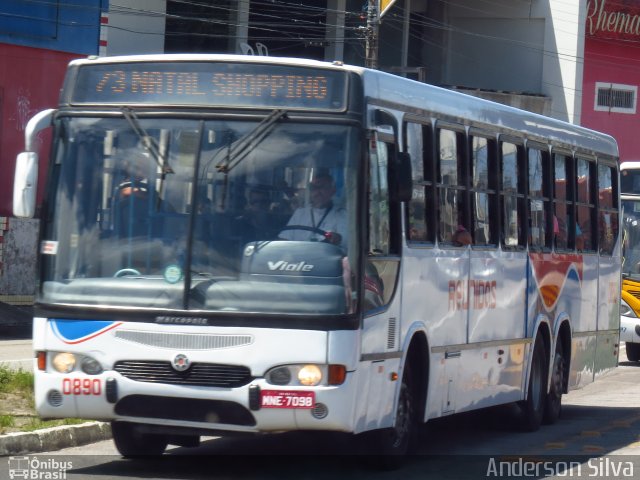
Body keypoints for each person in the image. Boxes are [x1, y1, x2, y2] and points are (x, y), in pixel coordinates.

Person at [279, 173, 347, 251]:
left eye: (322, 187)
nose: (317, 192)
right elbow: (284, 239)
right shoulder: (300, 213)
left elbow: (344, 245)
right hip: (298, 258)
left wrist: (336, 239)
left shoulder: (342, 215)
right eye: (314, 188)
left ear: (332, 190)